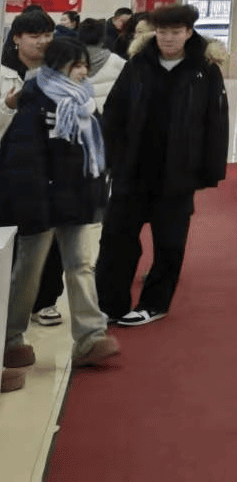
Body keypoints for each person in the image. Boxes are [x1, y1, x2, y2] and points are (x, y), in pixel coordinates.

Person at [95, 4, 229, 327]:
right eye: (162, 31)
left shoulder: (204, 70)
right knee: (116, 239)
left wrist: (209, 170)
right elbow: (114, 112)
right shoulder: (138, 64)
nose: (168, 38)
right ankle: (110, 304)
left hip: (177, 174)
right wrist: (111, 159)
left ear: (189, 32)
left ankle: (154, 303)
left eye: (175, 32)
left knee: (169, 243)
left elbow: (216, 123)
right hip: (133, 170)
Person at [2, 38, 120, 375]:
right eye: (75, 65)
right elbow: (23, 159)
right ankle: (10, 338)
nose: (82, 71)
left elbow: (94, 153)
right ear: (56, 67)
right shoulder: (33, 99)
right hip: (40, 203)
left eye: (84, 64)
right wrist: (34, 204)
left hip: (76, 201)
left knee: (81, 265)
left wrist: (96, 195)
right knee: (28, 271)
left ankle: (90, 337)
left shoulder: (84, 101)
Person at [1, 9, 67, 327]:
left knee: (50, 237)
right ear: (16, 38)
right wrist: (8, 106)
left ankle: (46, 301)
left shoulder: (61, 72)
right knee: (10, 236)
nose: (42, 42)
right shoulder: (4, 74)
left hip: (49, 168)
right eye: (34, 36)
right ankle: (7, 301)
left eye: (48, 35)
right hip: (7, 168)